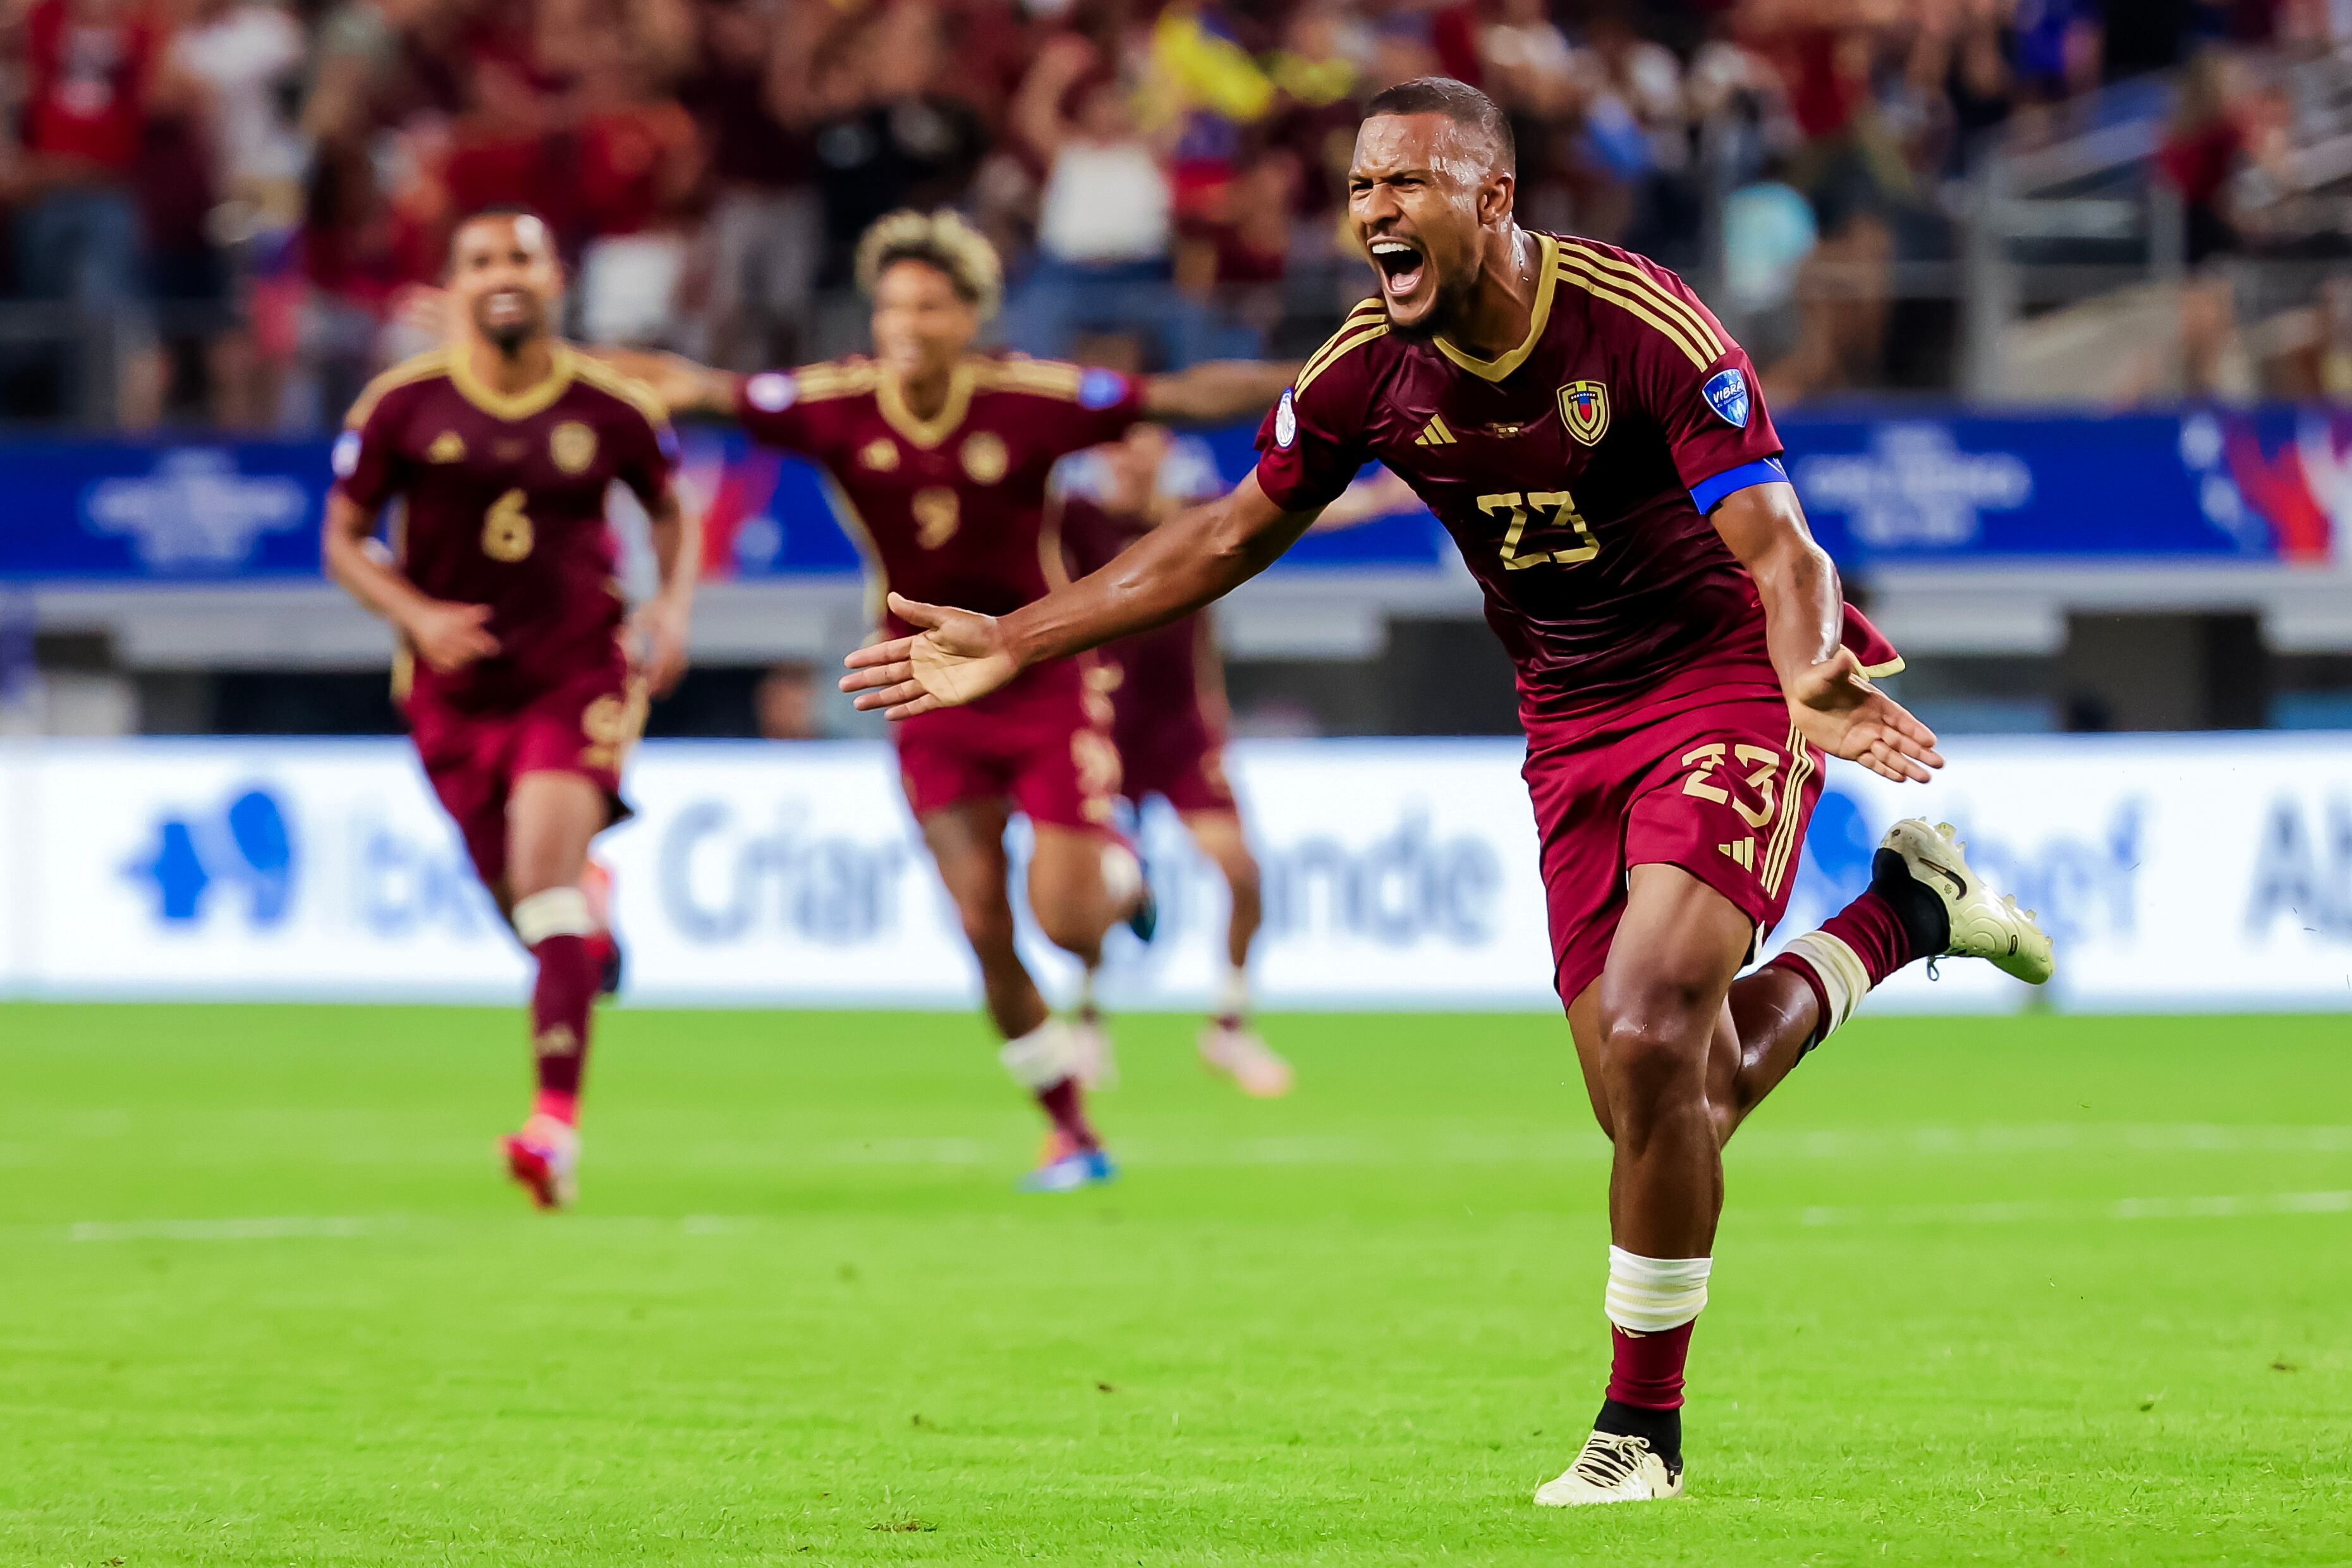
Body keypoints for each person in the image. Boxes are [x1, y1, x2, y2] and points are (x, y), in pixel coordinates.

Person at [839, 80, 2054, 1504]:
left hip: (1729, 678)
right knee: (1663, 1095)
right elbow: (1228, 533)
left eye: (1406, 183)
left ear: (1492, 197)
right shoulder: (1365, 369)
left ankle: (1637, 1434)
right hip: (1566, 722)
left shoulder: (1640, 324)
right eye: (1361, 189)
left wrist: (1810, 676)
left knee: (1662, 1027)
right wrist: (1015, 632)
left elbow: (1781, 547)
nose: (1373, 212)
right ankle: (1905, 914)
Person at [609, 210, 1291, 1193]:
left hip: (1038, 673)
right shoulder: (836, 403)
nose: (906, 324)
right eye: (891, 304)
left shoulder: (1029, 398)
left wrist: (1325, 380)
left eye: (929, 305)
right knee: (979, 919)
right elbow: (693, 388)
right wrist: (552, 362)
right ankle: (1068, 1128)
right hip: (921, 682)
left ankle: (1120, 882)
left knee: (1065, 925)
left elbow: (1180, 397)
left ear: (970, 314)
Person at [322, 208, 698, 1212]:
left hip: (577, 673)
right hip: (453, 689)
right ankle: (591, 914)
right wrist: (417, 614)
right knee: (528, 907)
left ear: (555, 279)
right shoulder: (400, 407)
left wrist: (669, 607)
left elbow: (671, 510)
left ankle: (553, 1127)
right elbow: (344, 539)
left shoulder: (610, 406)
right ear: (452, 285)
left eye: (522, 258)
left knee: (542, 880)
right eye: (482, 259)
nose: (504, 274)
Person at [1056, 424, 1291, 1098]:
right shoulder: (1076, 523)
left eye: (1147, 448)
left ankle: (1229, 1028)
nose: (1134, 462)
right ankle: (1088, 1022)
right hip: (1103, 727)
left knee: (1241, 874)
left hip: (1181, 729)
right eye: (1120, 449)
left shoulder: (1195, 518)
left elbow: (1292, 502)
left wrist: (1379, 497)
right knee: (1101, 889)